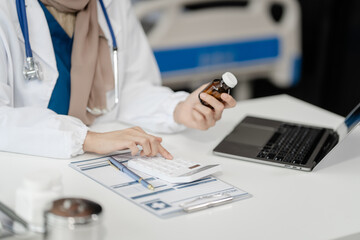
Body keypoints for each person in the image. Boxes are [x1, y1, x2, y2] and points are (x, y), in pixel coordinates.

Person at [0, 0, 236, 159]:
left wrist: (178, 109)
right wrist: (87, 139)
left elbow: (129, 88)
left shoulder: (111, 5)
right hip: (25, 165)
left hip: (89, 164)